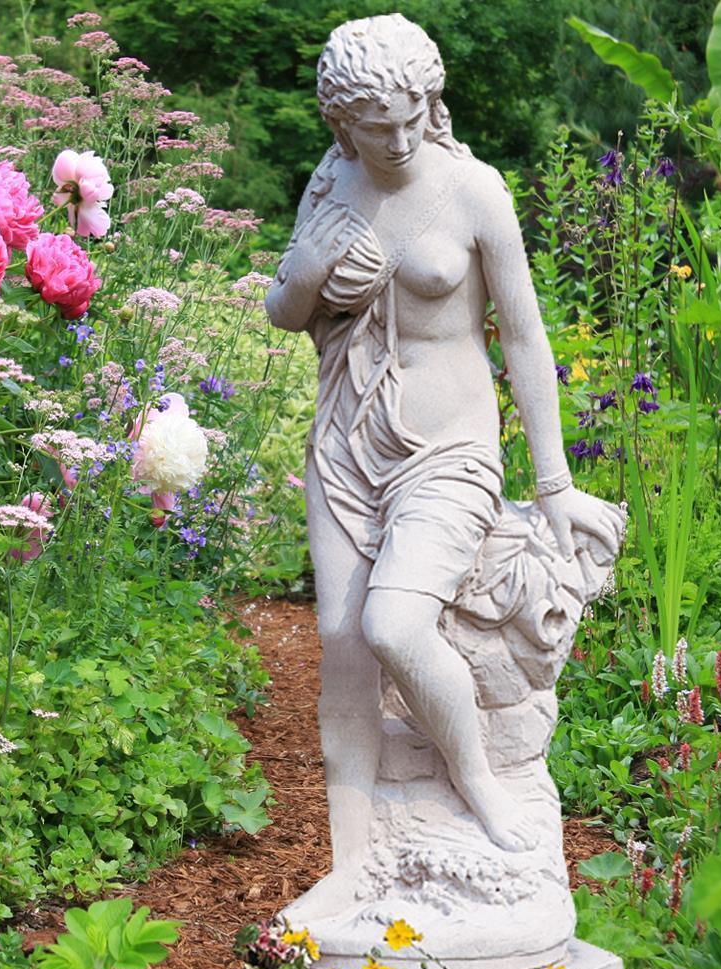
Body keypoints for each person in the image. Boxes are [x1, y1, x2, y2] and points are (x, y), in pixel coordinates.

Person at [265, 13, 622, 922]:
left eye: (412, 117)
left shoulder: (473, 190)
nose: (397, 140)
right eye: (375, 126)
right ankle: (351, 864)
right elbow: (285, 310)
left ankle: (477, 781)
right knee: (343, 648)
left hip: (449, 452)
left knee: (392, 623)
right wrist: (308, 267)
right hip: (346, 446)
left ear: (432, 103)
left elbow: (525, 337)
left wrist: (553, 484)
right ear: (341, 122)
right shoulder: (329, 185)